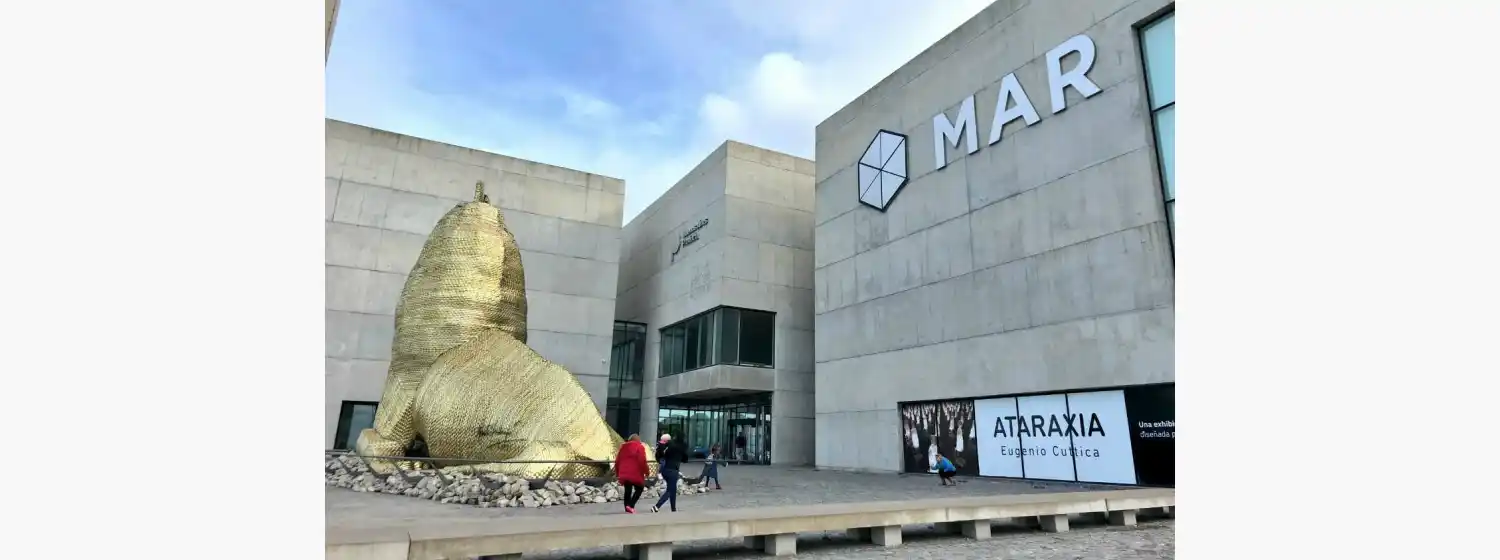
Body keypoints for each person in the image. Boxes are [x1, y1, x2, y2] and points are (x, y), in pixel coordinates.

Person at [651, 434, 689, 512]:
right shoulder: (680, 448)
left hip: (665, 470)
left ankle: (673, 509)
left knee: (673, 489)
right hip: (673, 471)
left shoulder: (669, 446)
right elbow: (685, 459)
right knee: (670, 490)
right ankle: (656, 506)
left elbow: (662, 456)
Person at [614, 434, 649, 513]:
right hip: (635, 473)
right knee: (640, 488)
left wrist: (617, 473)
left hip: (624, 473)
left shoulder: (623, 447)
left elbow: (617, 461)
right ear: (638, 440)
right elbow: (642, 461)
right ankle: (631, 505)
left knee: (628, 490)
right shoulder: (640, 447)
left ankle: (627, 507)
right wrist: (646, 472)